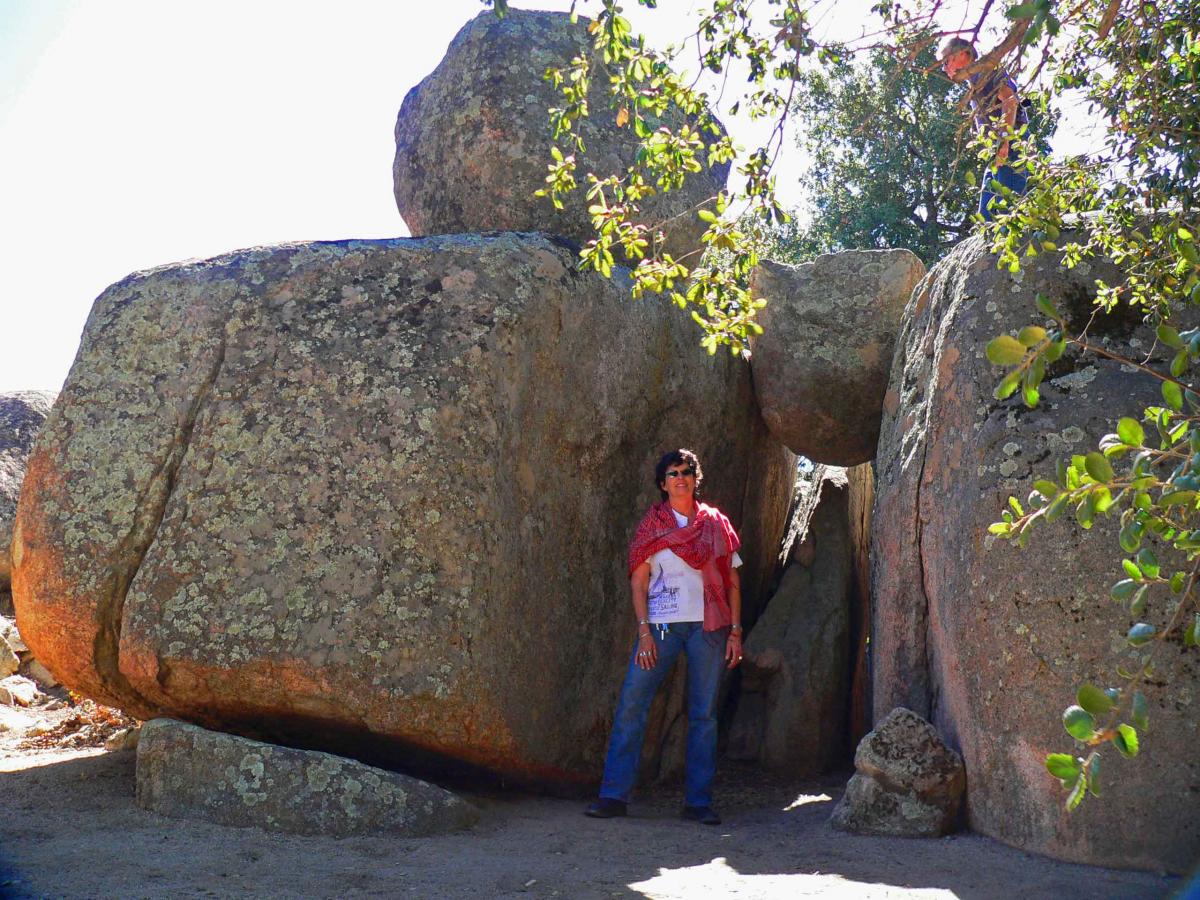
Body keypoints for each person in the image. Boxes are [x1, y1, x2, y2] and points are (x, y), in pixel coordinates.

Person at [584, 448, 744, 826]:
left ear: (695, 479)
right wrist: (643, 631)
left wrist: (736, 631)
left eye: (686, 472)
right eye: (673, 473)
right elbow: (639, 584)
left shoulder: (716, 524)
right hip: (660, 627)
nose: (680, 478)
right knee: (632, 703)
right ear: (662, 483)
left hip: (709, 628)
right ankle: (613, 796)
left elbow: (732, 581)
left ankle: (698, 803)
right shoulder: (651, 526)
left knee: (703, 715)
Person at [940, 35, 1031, 221]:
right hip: (996, 153)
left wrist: (1004, 140)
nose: (944, 68)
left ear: (963, 54)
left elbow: (1009, 100)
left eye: (946, 61)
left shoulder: (987, 71)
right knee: (986, 219)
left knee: (1011, 211)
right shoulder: (974, 84)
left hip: (1011, 147)